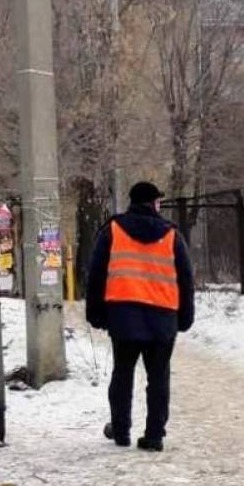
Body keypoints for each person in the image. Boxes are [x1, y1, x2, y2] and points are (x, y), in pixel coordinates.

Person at [85, 181, 194, 453]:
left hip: (124, 317)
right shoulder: (172, 236)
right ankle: (154, 435)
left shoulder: (112, 231)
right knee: (158, 377)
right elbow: (186, 279)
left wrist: (95, 313)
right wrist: (185, 317)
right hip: (163, 318)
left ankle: (121, 431)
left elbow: (96, 275)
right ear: (154, 203)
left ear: (132, 202)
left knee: (122, 373)